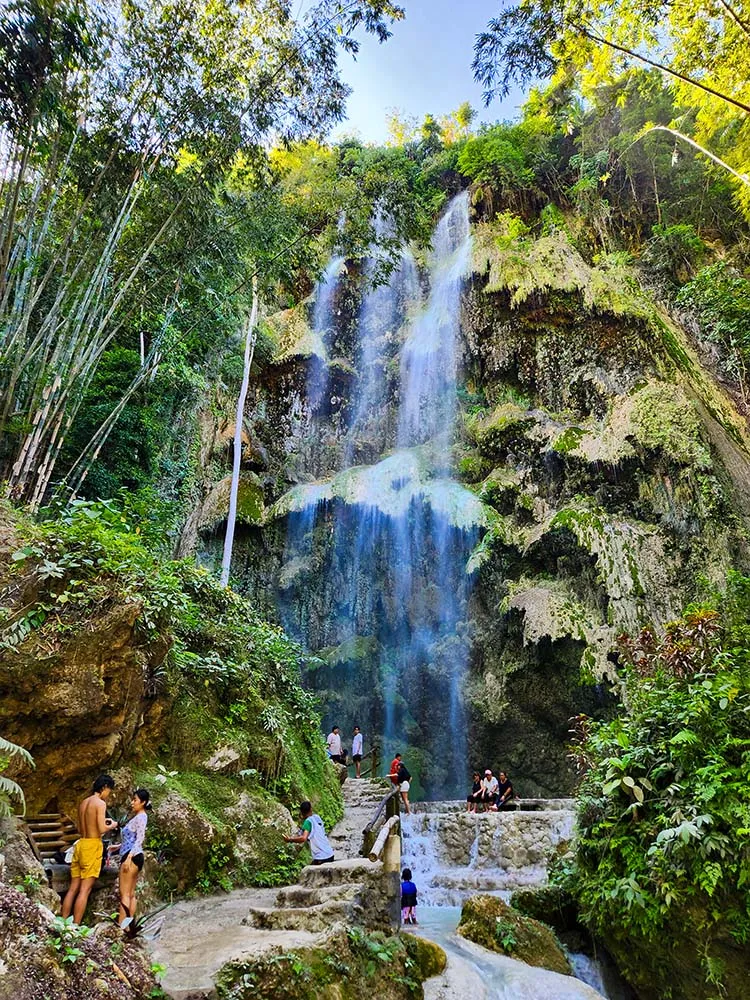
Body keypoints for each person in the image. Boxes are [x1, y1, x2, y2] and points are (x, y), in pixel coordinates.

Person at [61, 775, 118, 924]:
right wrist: (111, 825)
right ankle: (75, 927)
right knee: (84, 890)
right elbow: (101, 829)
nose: (108, 794)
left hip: (80, 844)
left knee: (73, 889)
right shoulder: (100, 804)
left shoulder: (84, 803)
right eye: (109, 791)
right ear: (104, 787)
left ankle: (63, 922)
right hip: (92, 846)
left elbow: (81, 827)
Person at [118, 788, 150, 929]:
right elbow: (131, 839)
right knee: (130, 894)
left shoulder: (142, 817)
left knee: (124, 894)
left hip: (132, 856)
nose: (132, 802)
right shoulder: (138, 817)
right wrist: (116, 847)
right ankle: (129, 926)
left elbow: (140, 838)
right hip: (133, 855)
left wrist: (128, 858)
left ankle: (121, 927)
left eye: (135, 800)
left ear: (143, 802)